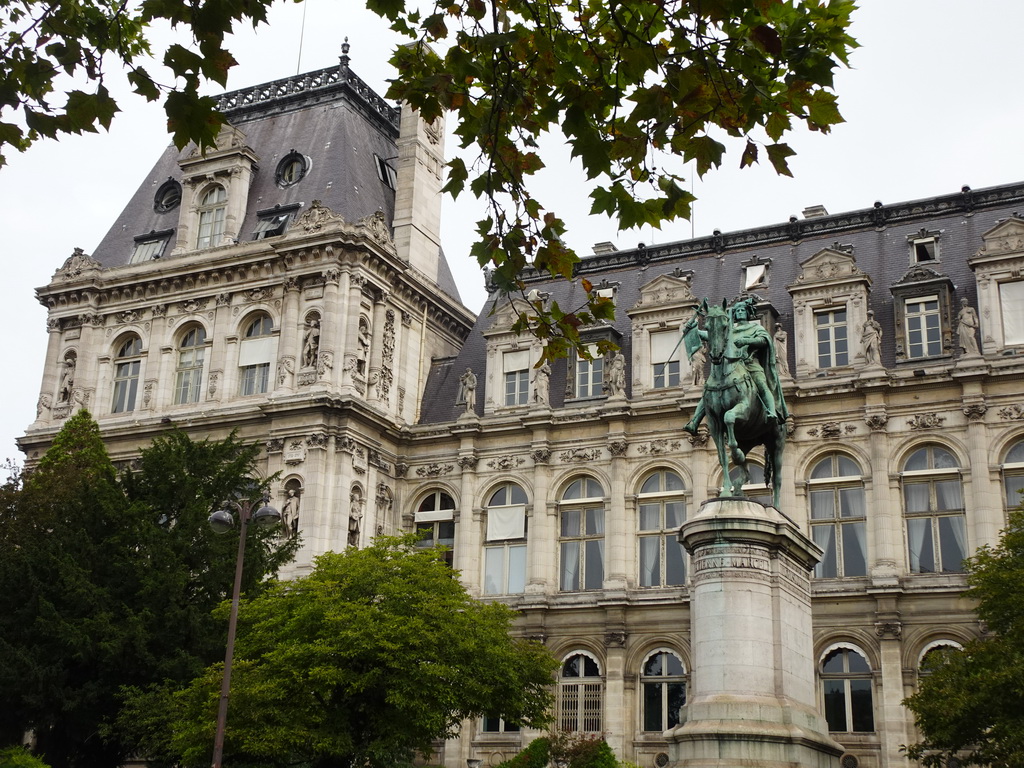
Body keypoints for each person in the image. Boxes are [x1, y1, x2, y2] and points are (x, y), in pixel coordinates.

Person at [683, 297, 786, 434]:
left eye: (743, 310)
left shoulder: (755, 327)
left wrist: (746, 340)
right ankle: (695, 420)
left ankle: (771, 412)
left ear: (747, 313)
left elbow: (763, 340)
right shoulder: (730, 331)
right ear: (734, 315)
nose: (740, 312)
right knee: (709, 391)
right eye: (737, 310)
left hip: (750, 363)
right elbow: (712, 335)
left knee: (761, 384)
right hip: (732, 365)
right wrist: (693, 330)